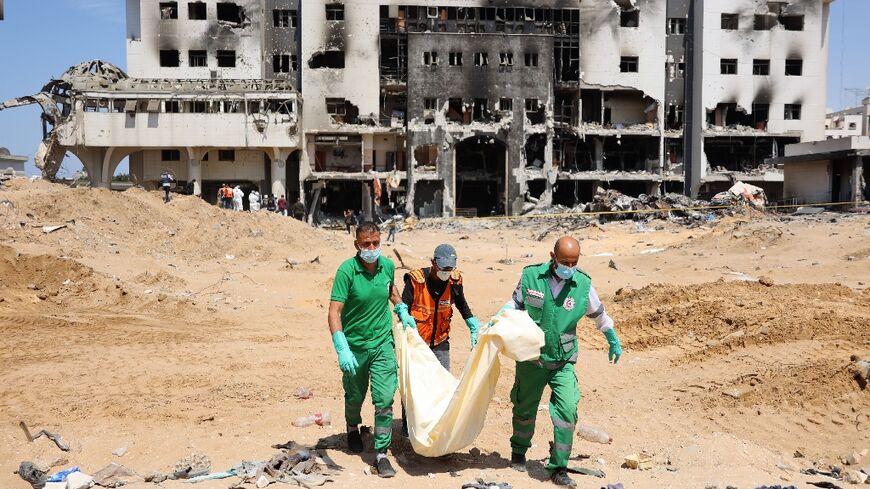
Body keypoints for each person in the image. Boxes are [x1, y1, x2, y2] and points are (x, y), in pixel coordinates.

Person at [502, 236, 622, 487]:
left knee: (567, 410)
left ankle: (559, 467)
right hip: (532, 358)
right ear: (552, 257)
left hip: (563, 360)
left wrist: (612, 338)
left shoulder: (583, 284)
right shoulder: (531, 277)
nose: (569, 266)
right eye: (564, 261)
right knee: (524, 407)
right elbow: (514, 304)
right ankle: (519, 453)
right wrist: (498, 319)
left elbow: (599, 314)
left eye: (574, 262)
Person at [328, 221, 406, 478]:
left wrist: (401, 307)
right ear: (357, 245)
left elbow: (390, 290)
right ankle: (353, 427)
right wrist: (342, 347)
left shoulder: (388, 266)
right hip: (356, 346)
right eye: (366, 244)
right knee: (355, 395)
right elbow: (334, 311)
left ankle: (381, 454)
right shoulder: (346, 271)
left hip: (383, 341)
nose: (371, 248)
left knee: (384, 398)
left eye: (375, 243)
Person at [396, 243, 481, 435]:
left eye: (450, 269)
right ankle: (408, 426)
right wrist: (403, 316)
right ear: (433, 263)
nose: (447, 273)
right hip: (416, 344)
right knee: (413, 387)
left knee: (441, 385)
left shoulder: (454, 281)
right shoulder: (416, 281)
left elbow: (461, 304)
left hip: (441, 342)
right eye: (443, 269)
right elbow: (403, 306)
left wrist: (472, 324)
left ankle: (435, 424)